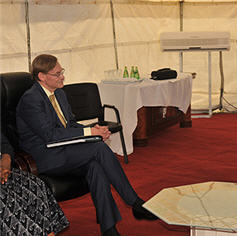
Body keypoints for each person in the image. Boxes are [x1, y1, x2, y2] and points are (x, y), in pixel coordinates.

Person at [16, 54, 157, 236]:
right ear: (42, 76)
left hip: (63, 149)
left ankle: (109, 229)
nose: (62, 77)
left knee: (95, 167)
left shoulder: (59, 93)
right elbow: (50, 135)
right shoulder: (31, 100)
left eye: (62, 72)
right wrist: (90, 134)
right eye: (57, 74)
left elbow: (71, 125)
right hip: (43, 157)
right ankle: (134, 202)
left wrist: (94, 129)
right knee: (98, 148)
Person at [0, 131, 69, 236]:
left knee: (34, 184)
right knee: (7, 201)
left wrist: (6, 161)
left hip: (2, 170)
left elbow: (4, 144)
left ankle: (47, 232)